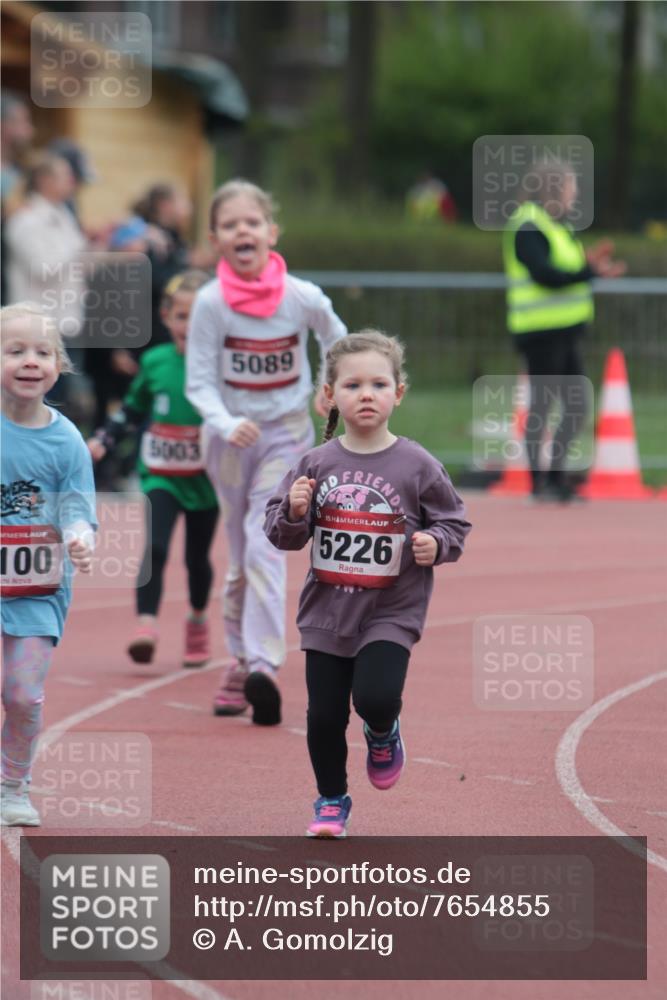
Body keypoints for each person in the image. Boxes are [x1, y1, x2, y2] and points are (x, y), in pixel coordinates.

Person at [264, 330, 471, 837]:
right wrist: (293, 511)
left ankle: (383, 731)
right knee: (324, 716)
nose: (366, 394)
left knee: (375, 698)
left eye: (379, 384)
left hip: (390, 610)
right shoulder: (316, 464)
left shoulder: (417, 464)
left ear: (398, 393)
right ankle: (331, 799)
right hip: (327, 613)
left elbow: (454, 523)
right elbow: (279, 533)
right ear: (331, 395)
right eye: (353, 384)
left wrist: (435, 544)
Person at [186, 179, 347, 726]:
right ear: (216, 241)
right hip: (230, 442)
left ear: (271, 232)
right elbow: (199, 381)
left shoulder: (299, 296)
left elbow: (336, 336)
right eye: (230, 226)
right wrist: (227, 422)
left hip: (283, 435)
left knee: (264, 545)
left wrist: (332, 383)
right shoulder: (210, 304)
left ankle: (263, 666)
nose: (242, 232)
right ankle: (239, 660)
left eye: (251, 222)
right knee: (237, 560)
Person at [88, 271, 218, 668]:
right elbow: (133, 408)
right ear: (166, 317)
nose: (188, 326)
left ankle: (197, 619)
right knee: (156, 546)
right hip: (160, 473)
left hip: (207, 480)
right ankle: (146, 625)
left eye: (199, 317)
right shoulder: (156, 361)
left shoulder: (222, 365)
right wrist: (103, 440)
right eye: (181, 316)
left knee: (198, 558)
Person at [1, 302, 96, 827]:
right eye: (15, 351)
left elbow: (78, 507)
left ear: (58, 364)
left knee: (21, 692)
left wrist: (80, 537)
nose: (30, 361)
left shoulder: (66, 442)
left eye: (42, 352)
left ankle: (13, 784)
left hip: (39, 585)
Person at [503, 159, 626, 501]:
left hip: (566, 330)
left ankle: (557, 479)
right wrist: (588, 274)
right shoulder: (528, 224)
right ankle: (539, 483)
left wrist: (592, 269)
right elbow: (544, 273)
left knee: (576, 406)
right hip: (540, 332)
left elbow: (569, 270)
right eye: (571, 187)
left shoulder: (558, 225)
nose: (575, 195)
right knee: (543, 406)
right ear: (553, 188)